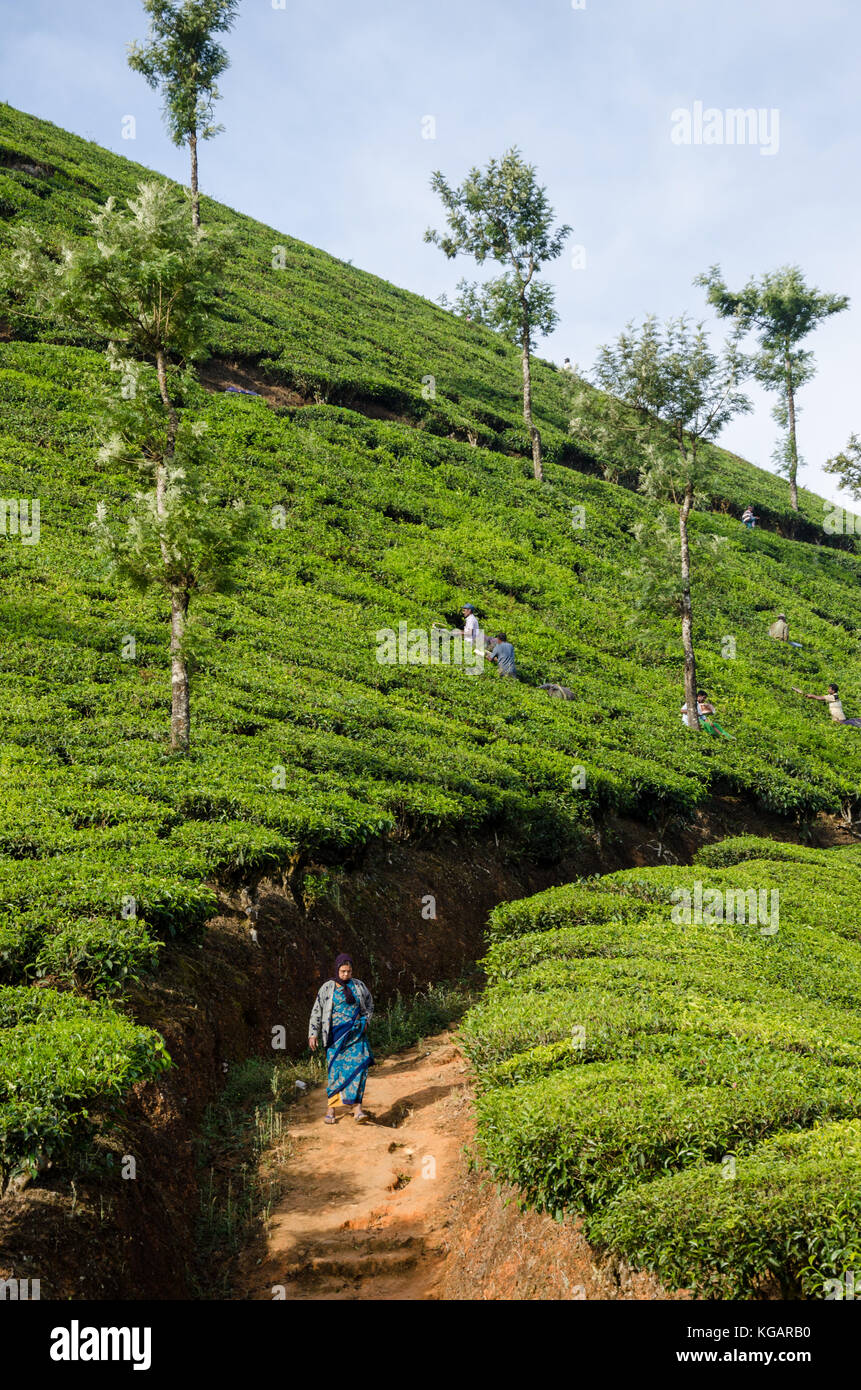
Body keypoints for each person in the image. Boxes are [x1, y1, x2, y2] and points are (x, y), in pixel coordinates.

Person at [308, 954, 374, 1124]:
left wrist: (366, 1020)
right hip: (334, 1038)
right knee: (335, 1072)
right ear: (337, 970)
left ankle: (357, 1109)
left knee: (359, 1069)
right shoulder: (327, 988)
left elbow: (369, 1004)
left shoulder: (359, 986)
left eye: (349, 971)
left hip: (356, 1035)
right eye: (343, 971)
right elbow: (317, 1011)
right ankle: (331, 1109)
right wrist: (313, 1033)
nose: (346, 975)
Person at [792, 683, 861, 727]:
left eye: (829, 689)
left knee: (845, 725)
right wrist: (809, 696)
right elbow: (819, 697)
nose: (828, 690)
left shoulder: (834, 697)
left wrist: (811, 696)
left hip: (839, 718)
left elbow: (819, 698)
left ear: (833, 691)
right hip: (837, 717)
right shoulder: (832, 696)